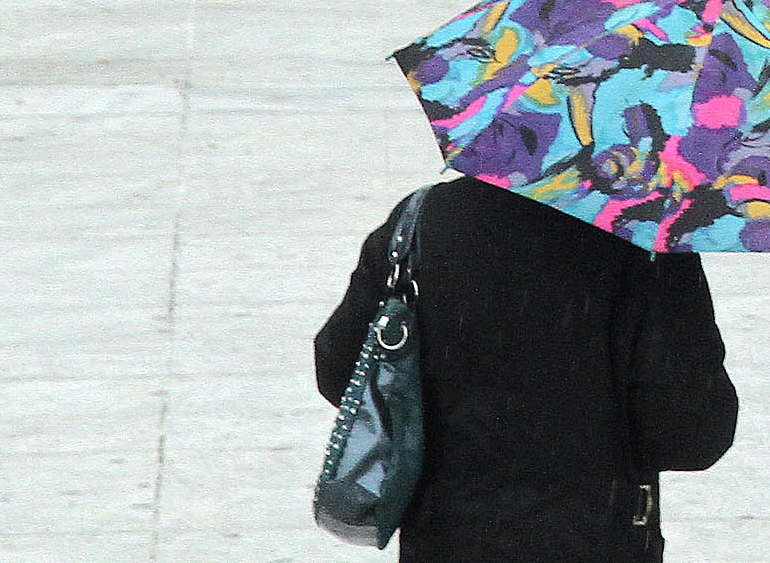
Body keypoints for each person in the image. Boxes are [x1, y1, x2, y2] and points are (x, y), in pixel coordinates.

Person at [314, 177, 738, 563]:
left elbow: (340, 372)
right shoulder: (646, 241)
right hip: (598, 536)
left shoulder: (423, 220)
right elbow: (690, 436)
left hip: (447, 535)